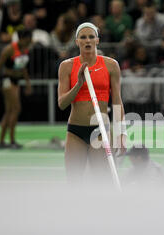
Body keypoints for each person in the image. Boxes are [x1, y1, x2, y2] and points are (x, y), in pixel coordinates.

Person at [57, 22, 127, 185]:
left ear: (97, 40)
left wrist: (122, 134)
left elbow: (117, 101)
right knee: (74, 182)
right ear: (77, 42)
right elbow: (62, 103)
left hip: (101, 131)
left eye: (91, 37)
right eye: (83, 37)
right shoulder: (66, 66)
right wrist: (79, 84)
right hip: (76, 131)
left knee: (102, 183)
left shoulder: (111, 65)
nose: (87, 40)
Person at [0, 29, 33, 149]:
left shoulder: (24, 49)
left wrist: (27, 83)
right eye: (28, 40)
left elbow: (23, 67)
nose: (29, 42)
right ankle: (12, 140)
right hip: (7, 80)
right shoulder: (9, 49)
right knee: (16, 109)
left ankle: (1, 142)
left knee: (9, 111)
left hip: (16, 81)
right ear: (21, 39)